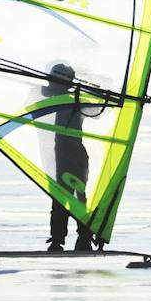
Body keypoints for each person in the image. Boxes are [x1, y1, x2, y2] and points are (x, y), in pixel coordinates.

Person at [42, 63, 98, 253]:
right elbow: (42, 95)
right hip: (59, 155)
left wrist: (83, 92)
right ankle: (57, 241)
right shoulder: (51, 97)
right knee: (59, 199)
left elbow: (97, 111)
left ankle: (84, 238)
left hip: (76, 155)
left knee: (78, 198)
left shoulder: (73, 100)